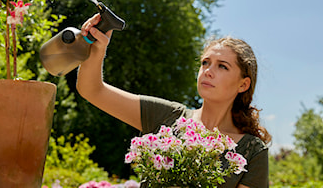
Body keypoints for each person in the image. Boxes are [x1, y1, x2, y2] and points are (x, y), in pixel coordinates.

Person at [76, 13, 271, 188]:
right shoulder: (167, 116)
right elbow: (91, 90)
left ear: (243, 85)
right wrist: (97, 49)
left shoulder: (251, 152)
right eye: (205, 63)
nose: (208, 72)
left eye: (222, 67)